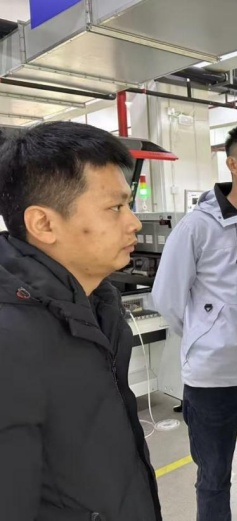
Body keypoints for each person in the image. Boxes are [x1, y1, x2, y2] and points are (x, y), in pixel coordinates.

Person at [0, 121, 161, 520]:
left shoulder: (98, 304)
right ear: (44, 224)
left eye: (129, 205)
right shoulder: (11, 340)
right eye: (115, 208)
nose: (134, 223)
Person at [152, 122, 237, 521]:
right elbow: (167, 297)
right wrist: (207, 335)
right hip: (213, 380)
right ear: (232, 163)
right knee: (213, 478)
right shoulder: (198, 226)